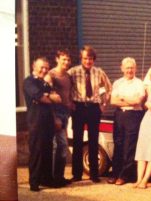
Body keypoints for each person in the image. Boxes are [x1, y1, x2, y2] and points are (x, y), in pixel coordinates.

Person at [68, 45, 112, 183]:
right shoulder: (73, 72)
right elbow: (64, 86)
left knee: (94, 140)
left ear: (94, 59)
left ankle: (94, 174)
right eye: (86, 58)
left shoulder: (99, 72)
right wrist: (69, 103)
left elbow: (108, 87)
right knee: (77, 140)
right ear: (81, 58)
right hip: (79, 108)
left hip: (94, 108)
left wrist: (103, 104)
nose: (88, 61)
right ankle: (77, 174)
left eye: (91, 58)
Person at [23, 57, 62, 191]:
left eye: (46, 67)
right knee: (37, 151)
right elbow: (40, 97)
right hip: (36, 122)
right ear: (34, 66)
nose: (44, 70)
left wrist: (55, 118)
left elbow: (53, 100)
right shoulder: (29, 81)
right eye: (41, 67)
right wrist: (49, 97)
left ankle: (47, 179)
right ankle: (34, 182)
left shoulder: (45, 83)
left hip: (48, 121)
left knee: (47, 150)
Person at [108, 57, 145, 185]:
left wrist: (122, 97)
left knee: (129, 146)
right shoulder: (117, 83)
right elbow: (113, 101)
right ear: (122, 68)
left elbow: (137, 101)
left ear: (135, 68)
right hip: (119, 115)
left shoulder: (139, 83)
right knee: (118, 144)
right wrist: (129, 99)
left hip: (133, 115)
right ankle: (115, 173)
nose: (129, 70)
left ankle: (124, 175)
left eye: (131, 67)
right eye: (127, 67)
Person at [44, 49, 73, 186]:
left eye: (68, 60)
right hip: (55, 113)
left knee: (61, 146)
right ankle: (53, 179)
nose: (66, 62)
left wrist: (71, 103)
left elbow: (68, 94)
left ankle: (59, 177)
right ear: (57, 59)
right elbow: (45, 95)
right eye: (63, 59)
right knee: (59, 145)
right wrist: (54, 117)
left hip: (65, 113)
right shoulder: (51, 75)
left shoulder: (68, 76)